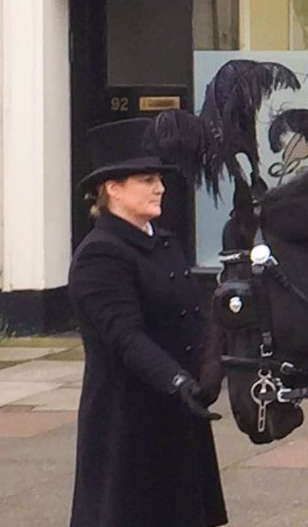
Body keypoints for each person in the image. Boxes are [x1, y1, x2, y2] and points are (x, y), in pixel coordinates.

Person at [67, 117, 227, 527]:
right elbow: (124, 336)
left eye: (158, 177)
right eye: (146, 179)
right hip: (129, 417)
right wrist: (176, 381)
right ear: (112, 189)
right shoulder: (100, 254)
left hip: (179, 409)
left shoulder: (166, 242)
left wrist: (210, 368)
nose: (159, 187)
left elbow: (196, 316)